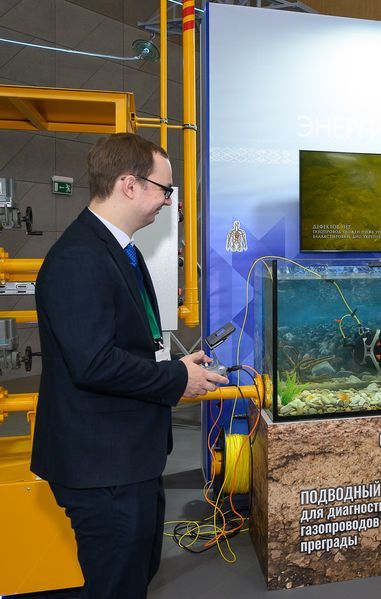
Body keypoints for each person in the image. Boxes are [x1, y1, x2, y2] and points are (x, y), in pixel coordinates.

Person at [31, 133, 229, 599]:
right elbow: (93, 364)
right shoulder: (80, 258)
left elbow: (122, 343)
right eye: (165, 189)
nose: (169, 201)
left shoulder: (122, 251)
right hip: (101, 466)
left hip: (127, 458)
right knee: (116, 584)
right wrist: (176, 378)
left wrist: (174, 363)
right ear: (129, 184)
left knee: (136, 573)